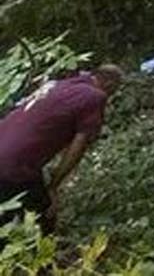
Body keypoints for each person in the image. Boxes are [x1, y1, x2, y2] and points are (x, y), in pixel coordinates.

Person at [0, 65, 121, 231]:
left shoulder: (58, 85)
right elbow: (78, 145)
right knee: (42, 218)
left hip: (12, 154)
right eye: (115, 89)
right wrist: (54, 185)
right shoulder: (95, 96)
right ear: (109, 83)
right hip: (12, 164)